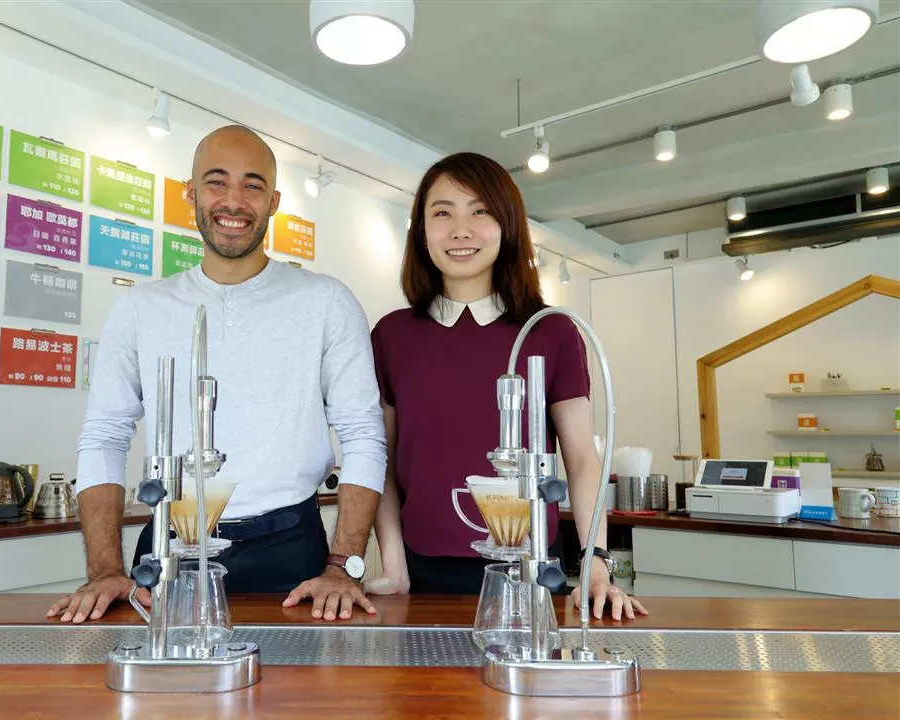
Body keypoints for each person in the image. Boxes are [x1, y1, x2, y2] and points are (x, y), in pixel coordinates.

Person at [47, 125, 386, 625]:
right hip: (168, 541)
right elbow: (104, 436)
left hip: (290, 549)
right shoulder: (142, 307)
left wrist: (343, 566)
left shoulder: (326, 301)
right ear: (190, 193)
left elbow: (363, 435)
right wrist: (104, 570)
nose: (233, 201)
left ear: (273, 202)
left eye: (252, 185)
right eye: (216, 181)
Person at [362, 152, 648, 621]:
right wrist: (393, 564)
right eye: (442, 213)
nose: (461, 230)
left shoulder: (551, 330)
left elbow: (581, 458)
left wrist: (595, 565)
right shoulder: (393, 335)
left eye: (480, 211)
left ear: (508, 225)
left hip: (531, 569)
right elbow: (383, 460)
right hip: (422, 571)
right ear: (422, 231)